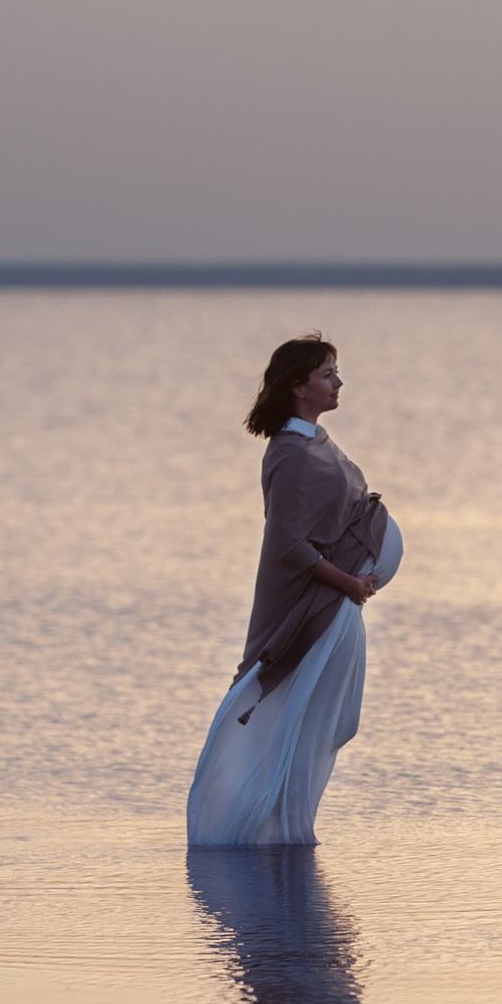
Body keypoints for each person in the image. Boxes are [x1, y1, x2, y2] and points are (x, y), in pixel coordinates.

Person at [188, 335, 403, 847]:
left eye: (335, 372)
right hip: (323, 606)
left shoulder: (315, 440)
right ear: (298, 387)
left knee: (316, 724)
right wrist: (350, 582)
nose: (338, 382)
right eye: (327, 374)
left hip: (340, 606)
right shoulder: (290, 455)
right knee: (291, 722)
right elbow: (288, 546)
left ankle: (288, 829)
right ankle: (259, 829)